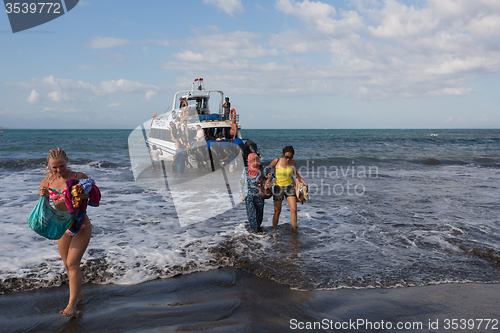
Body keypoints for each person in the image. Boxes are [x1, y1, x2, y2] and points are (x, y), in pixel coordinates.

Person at [38, 148, 94, 317]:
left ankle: (72, 304)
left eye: (61, 166)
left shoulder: (78, 177)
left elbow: (93, 196)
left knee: (72, 263)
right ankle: (79, 295)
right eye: (54, 167)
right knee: (67, 265)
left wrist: (85, 196)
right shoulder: (46, 182)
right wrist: (43, 196)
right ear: (49, 166)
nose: (58, 170)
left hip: (81, 225)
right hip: (63, 228)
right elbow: (45, 208)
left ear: (67, 161)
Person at [265, 146, 307, 229]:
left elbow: (296, 174)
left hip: (289, 187)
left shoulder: (293, 162)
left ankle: (294, 230)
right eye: (286, 157)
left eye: (290, 157)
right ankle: (274, 230)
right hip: (278, 188)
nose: (288, 159)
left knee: (294, 210)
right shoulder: (277, 161)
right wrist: (268, 175)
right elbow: (267, 168)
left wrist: (304, 182)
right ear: (283, 154)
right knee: (277, 211)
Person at [239, 153, 265, 232]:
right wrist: (242, 194)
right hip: (249, 193)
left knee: (259, 213)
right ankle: (254, 230)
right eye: (254, 160)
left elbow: (267, 177)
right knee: (251, 212)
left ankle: (257, 227)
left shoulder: (261, 169)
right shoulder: (246, 170)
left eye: (257, 159)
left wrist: (270, 179)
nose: (256, 161)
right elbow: (241, 182)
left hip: (259, 194)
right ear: (250, 160)